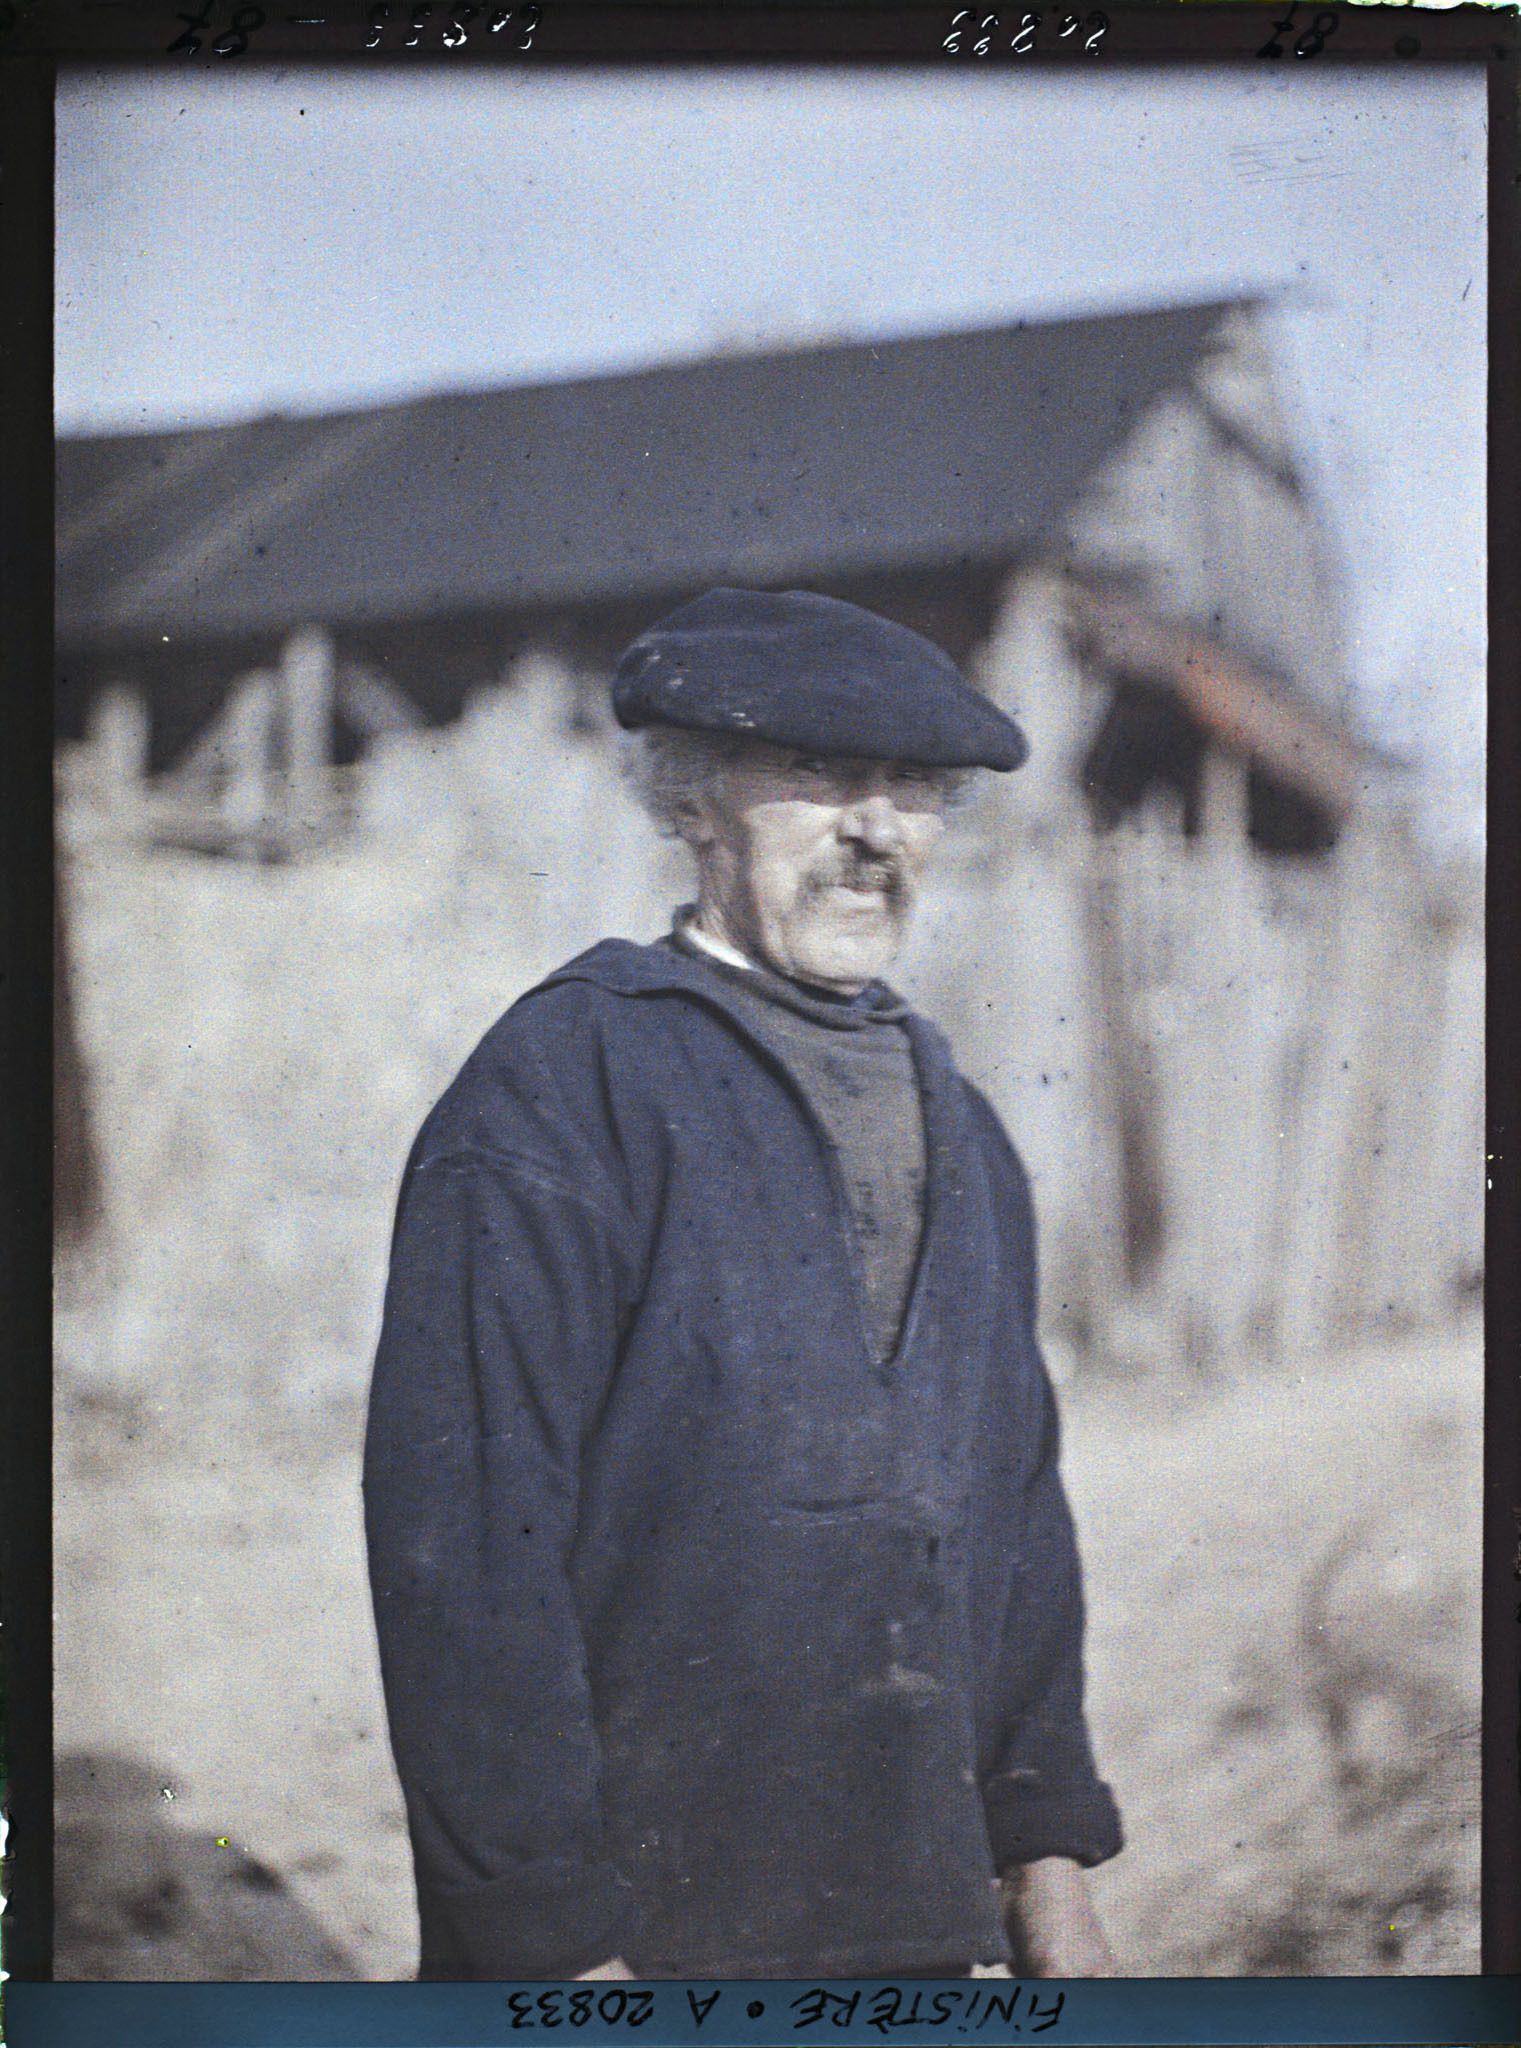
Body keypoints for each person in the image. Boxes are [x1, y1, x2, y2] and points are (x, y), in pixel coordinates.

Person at [363, 587, 1122, 1982]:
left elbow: (1016, 1528)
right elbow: (465, 1560)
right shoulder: (560, 1090)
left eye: (913, 790)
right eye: (821, 778)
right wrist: (552, 1950)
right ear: (694, 802)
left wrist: (1049, 1870)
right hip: (641, 1944)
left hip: (914, 1933)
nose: (873, 831)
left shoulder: (965, 1130)